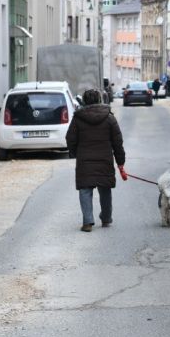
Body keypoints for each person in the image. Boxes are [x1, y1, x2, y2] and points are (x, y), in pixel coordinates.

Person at [65, 89, 127, 232]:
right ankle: (106, 218)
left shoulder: (78, 118)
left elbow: (70, 138)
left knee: (85, 190)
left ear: (84, 101)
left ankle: (87, 222)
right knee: (105, 189)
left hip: (84, 161)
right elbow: (118, 142)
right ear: (100, 99)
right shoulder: (109, 118)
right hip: (105, 160)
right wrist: (120, 162)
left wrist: (75, 153)